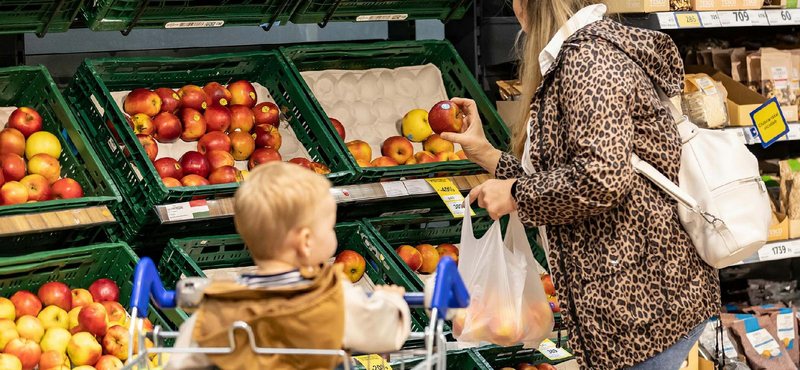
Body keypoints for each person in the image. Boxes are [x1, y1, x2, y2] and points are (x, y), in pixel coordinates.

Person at [441, 1, 719, 369]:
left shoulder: (587, 61)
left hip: (642, 307)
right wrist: (488, 156)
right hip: (637, 299)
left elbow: (602, 178)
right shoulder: (578, 56)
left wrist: (513, 194)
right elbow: (570, 178)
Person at [165, 162, 411, 370]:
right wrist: (391, 301)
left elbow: (182, 360)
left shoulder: (219, 306)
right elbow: (386, 333)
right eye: (329, 228)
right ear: (305, 242)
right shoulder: (332, 297)